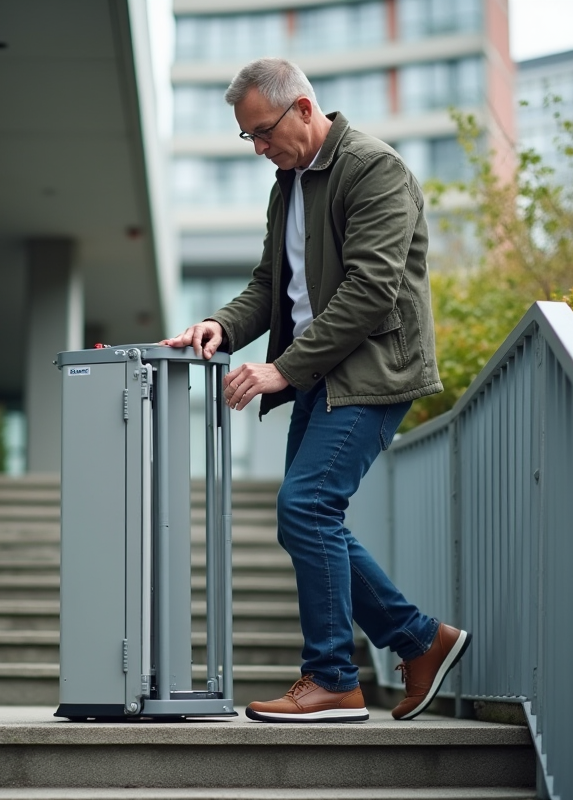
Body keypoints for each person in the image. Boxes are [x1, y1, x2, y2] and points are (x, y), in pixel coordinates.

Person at [161, 58, 471, 724]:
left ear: (303, 108)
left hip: (372, 372)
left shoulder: (373, 169)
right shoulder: (288, 184)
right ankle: (420, 641)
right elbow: (271, 287)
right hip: (322, 378)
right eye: (250, 139)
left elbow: (370, 292)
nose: (260, 149)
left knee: (305, 510)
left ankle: (334, 678)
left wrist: (282, 369)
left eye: (264, 132)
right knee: (305, 517)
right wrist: (220, 324)